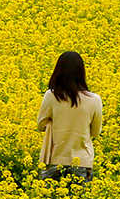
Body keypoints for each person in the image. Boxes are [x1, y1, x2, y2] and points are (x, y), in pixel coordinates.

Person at [37, 51, 103, 180]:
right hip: (83, 161)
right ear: (82, 73)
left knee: (50, 193)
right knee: (80, 193)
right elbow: (95, 132)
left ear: (58, 71)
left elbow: (41, 125)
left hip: (55, 159)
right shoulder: (95, 100)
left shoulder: (51, 96)